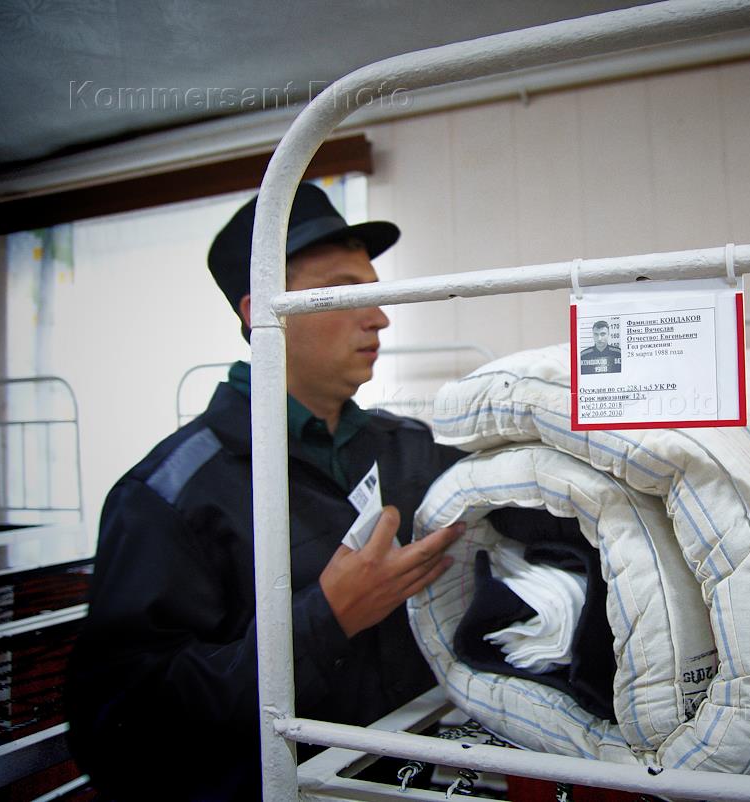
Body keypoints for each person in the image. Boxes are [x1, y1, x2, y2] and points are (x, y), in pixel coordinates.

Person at [66, 183, 465, 801]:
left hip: (409, 781)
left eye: (376, 291)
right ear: (263, 314)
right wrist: (325, 619)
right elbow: (118, 725)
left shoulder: (410, 449)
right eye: (346, 292)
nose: (380, 316)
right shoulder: (171, 495)